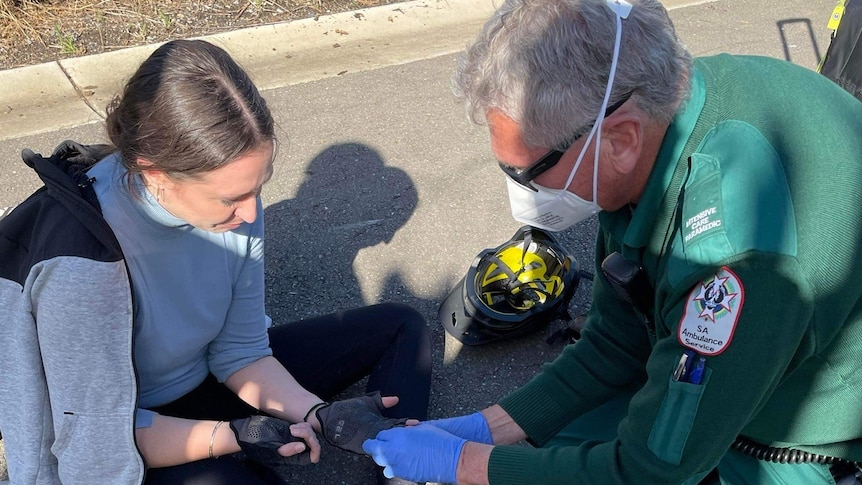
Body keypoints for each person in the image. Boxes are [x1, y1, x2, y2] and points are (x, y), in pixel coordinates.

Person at [362, 0, 862, 484]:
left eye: (529, 172)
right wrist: (488, 426)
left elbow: (651, 473)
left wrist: (465, 465)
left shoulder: (730, 266)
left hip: (798, 439)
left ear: (619, 139)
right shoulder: (660, 109)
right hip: (746, 366)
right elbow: (616, 336)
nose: (520, 191)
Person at [0, 39, 431, 485]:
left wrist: (317, 413)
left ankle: (399, 469)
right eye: (231, 198)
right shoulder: (80, 265)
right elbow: (98, 445)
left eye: (258, 187)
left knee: (401, 325)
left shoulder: (236, 206)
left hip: (207, 382)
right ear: (155, 174)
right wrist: (234, 437)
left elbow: (240, 351)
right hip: (131, 430)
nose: (250, 213)